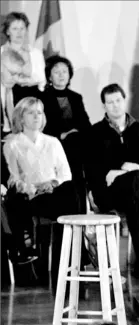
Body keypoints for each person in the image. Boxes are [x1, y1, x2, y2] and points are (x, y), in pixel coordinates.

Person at [86, 83, 139, 280]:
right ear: (104, 106)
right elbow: (94, 170)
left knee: (136, 197)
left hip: (134, 192)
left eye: (118, 101)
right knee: (136, 183)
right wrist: (126, 167)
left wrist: (121, 169)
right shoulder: (95, 132)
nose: (115, 105)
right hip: (107, 192)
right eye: (110, 102)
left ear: (124, 101)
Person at [3, 97, 79, 270]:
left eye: (39, 112)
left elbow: (65, 174)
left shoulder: (53, 142)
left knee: (71, 189)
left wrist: (53, 182)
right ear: (21, 118)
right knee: (67, 205)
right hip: (32, 197)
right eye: (31, 113)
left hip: (55, 193)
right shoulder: (12, 144)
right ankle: (73, 257)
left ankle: (69, 255)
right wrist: (36, 186)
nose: (36, 116)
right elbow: (13, 179)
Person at [42, 55, 91, 213]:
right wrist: (61, 135)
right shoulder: (42, 97)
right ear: (49, 75)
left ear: (70, 74)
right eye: (57, 71)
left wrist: (73, 133)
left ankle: (82, 215)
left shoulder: (76, 98)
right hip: (53, 146)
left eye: (65, 71)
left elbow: (86, 125)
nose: (62, 75)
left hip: (75, 145)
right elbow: (41, 127)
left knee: (79, 143)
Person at [1, 11, 46, 104]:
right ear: (7, 31)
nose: (19, 32)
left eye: (22, 28)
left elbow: (42, 79)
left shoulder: (35, 53)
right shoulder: (1, 52)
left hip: (33, 97)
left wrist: (27, 79)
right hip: (7, 96)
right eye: (15, 29)